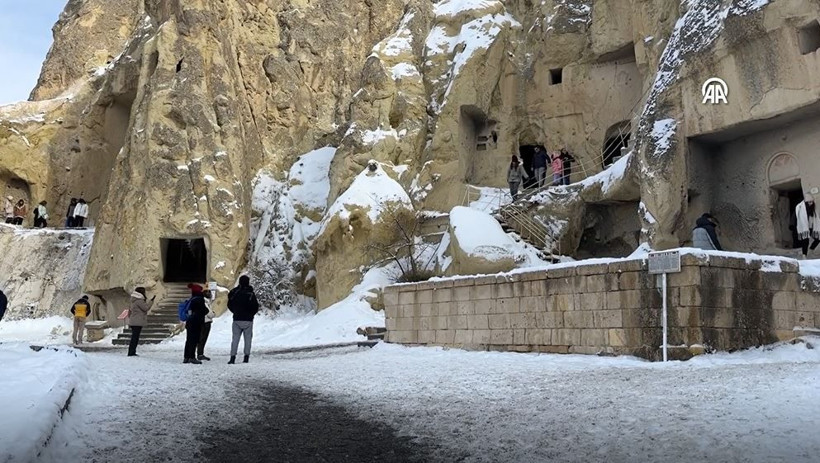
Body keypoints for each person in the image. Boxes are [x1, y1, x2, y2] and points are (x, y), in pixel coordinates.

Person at [228, 275, 260, 364]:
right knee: (248, 339)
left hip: (237, 318)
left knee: (235, 339)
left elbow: (229, 303)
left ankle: (232, 357)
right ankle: (246, 357)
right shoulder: (250, 293)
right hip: (248, 320)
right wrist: (251, 314)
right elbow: (255, 306)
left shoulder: (235, 292)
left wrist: (235, 311)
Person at [183, 284, 209, 364]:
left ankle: (186, 357)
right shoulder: (199, 299)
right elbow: (204, 310)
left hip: (189, 322)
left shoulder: (192, 299)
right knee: (194, 340)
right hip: (196, 322)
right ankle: (192, 357)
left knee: (188, 340)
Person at [128, 287, 155, 357]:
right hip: (137, 321)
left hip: (133, 320)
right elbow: (146, 308)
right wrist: (151, 301)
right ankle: (132, 352)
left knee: (134, 337)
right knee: (135, 337)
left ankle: (131, 351)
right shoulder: (139, 301)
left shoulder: (133, 300)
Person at [796, 194, 820, 259]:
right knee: (805, 241)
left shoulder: (813, 209)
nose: (811, 203)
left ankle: (810, 250)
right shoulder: (801, 208)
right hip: (804, 227)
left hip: (812, 226)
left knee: (818, 239)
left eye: (812, 202)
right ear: (806, 202)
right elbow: (798, 217)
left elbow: (816, 218)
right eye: (809, 202)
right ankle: (804, 255)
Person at [197, 289, 216, 361]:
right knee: (203, 338)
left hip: (203, 321)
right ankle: (200, 353)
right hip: (206, 322)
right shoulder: (205, 302)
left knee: (201, 338)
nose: (210, 294)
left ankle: (200, 353)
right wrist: (213, 314)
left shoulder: (205, 301)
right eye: (209, 293)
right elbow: (209, 313)